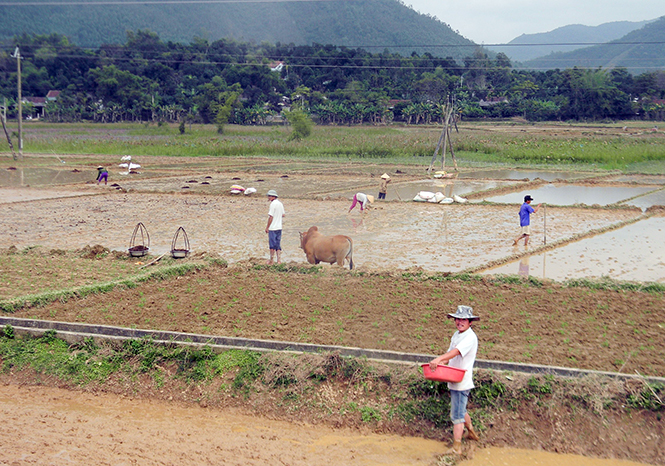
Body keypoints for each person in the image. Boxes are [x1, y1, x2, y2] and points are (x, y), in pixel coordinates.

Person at [429, 305, 481, 456]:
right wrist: (442, 362)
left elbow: (456, 352)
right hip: (453, 378)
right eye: (458, 319)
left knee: (457, 416)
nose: (460, 322)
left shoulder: (470, 337)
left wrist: (439, 359)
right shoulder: (457, 334)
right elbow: (450, 353)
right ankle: (471, 431)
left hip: (461, 381)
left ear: (470, 322)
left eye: (463, 319)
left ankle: (456, 448)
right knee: (461, 409)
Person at [265, 189, 285, 265]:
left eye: (269, 196)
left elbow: (271, 217)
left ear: (273, 197)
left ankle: (271, 260)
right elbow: (283, 214)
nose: (268, 198)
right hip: (279, 227)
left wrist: (267, 227)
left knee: (272, 245)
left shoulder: (273, 204)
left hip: (273, 228)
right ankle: (279, 260)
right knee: (278, 244)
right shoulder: (280, 204)